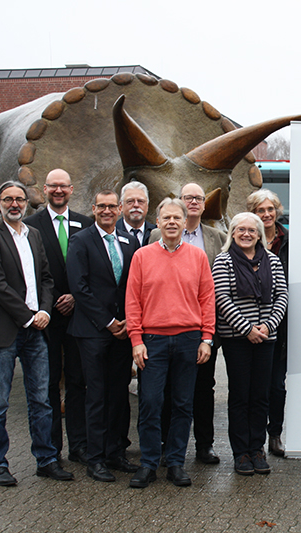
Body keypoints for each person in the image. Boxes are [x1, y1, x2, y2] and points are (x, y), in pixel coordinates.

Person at [0, 181, 73, 486]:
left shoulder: (33, 234)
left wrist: (45, 311)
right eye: (8, 199)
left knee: (41, 400)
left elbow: (46, 278)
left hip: (36, 331)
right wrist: (28, 317)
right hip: (4, 330)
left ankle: (46, 460)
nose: (15, 204)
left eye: (19, 199)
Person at [126, 198, 216, 488]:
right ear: (158, 222)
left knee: (182, 404)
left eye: (177, 217)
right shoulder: (142, 256)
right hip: (152, 341)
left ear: (184, 221)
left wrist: (207, 338)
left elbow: (207, 299)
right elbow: (133, 301)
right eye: (166, 218)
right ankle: (149, 463)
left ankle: (176, 462)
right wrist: (136, 340)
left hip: (189, 339)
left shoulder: (198, 257)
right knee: (150, 402)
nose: (172, 222)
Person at [67, 190, 140, 482]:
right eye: (101, 206)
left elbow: (134, 285)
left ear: (120, 209)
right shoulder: (81, 240)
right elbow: (79, 287)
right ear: (94, 208)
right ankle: (95, 458)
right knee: (96, 395)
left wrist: (128, 321)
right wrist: (108, 322)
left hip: (123, 331)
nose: (107, 211)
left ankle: (115, 452)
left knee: (119, 393)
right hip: (93, 331)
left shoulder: (129, 241)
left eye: (112, 206)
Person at [152, 183, 226, 465]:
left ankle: (204, 445)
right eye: (188, 198)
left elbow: (213, 289)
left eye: (198, 198)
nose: (193, 202)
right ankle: (166, 445)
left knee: (204, 388)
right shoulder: (156, 236)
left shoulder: (218, 238)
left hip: (203, 328)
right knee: (169, 389)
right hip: (166, 328)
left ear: (204, 204)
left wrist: (209, 333)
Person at [24, 169, 93, 465]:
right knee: (48, 383)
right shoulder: (30, 226)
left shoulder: (86, 223)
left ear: (71, 189)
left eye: (63, 186)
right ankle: (51, 448)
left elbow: (92, 267)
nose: (58, 191)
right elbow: (30, 272)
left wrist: (76, 296)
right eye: (53, 186)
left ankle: (79, 445)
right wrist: (49, 302)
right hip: (46, 317)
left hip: (78, 315)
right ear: (45, 189)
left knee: (78, 381)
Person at [212, 212, 288, 476]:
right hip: (237, 340)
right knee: (239, 396)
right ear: (232, 233)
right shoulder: (223, 261)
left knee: (260, 396)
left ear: (259, 234)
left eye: (251, 230)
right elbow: (222, 299)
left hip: (266, 339)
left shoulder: (273, 261)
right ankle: (241, 453)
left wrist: (267, 326)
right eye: (240, 229)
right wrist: (247, 329)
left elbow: (282, 296)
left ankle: (257, 449)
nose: (246, 234)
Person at [247, 189, 289, 457]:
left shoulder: (289, 241)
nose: (266, 214)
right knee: (253, 386)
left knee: (276, 385)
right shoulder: (246, 238)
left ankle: (275, 434)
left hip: (280, 323)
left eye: (270, 209)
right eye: (260, 210)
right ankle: (253, 440)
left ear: (277, 211)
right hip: (249, 325)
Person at [117, 181, 156, 246]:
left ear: (147, 206)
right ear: (121, 207)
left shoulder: (156, 233)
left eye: (140, 201)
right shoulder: (112, 233)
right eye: (130, 201)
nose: (136, 205)